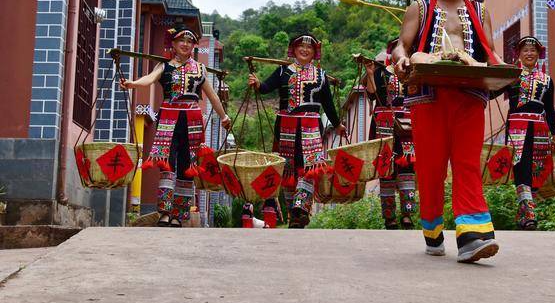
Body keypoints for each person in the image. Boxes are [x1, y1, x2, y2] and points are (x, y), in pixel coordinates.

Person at [393, 0, 502, 263]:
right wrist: (401, 59)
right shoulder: (420, 8)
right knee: (431, 169)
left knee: (467, 163)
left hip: (469, 94)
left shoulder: (480, 11)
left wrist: (503, 70)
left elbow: (489, 50)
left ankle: (473, 237)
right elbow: (404, 44)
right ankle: (432, 230)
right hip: (428, 95)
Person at [120, 25, 231, 227]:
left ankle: (179, 214)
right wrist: (133, 84)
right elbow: (149, 79)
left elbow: (212, 95)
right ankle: (164, 212)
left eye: (189, 42)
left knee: (187, 167)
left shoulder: (200, 69)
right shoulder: (164, 67)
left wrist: (223, 116)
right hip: (169, 117)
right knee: (167, 165)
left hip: (192, 120)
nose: (186, 45)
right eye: (182, 41)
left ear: (193, 46)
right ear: (173, 43)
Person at [248, 34, 347, 228]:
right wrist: (257, 83)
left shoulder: (321, 75)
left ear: (314, 52)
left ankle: (300, 208)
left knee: (309, 168)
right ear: (293, 49)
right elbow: (265, 88)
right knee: (288, 169)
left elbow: (327, 104)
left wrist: (337, 125)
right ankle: (294, 213)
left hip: (311, 127)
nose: (304, 50)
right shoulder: (283, 72)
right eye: (300, 46)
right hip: (286, 126)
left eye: (308, 48)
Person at [504, 36, 555, 229]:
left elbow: (550, 110)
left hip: (540, 129)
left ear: (538, 54)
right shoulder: (512, 75)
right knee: (521, 168)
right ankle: (529, 215)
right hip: (517, 129)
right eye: (525, 50)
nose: (529, 54)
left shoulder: (547, 80)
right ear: (518, 54)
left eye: (533, 51)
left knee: (537, 169)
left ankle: (524, 215)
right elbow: (493, 90)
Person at [364, 39, 416, 229]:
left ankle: (407, 215)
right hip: (384, 124)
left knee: (408, 168)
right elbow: (372, 95)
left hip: (408, 124)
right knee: (386, 170)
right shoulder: (380, 71)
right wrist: (370, 74)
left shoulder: (414, 72)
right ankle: (389, 217)